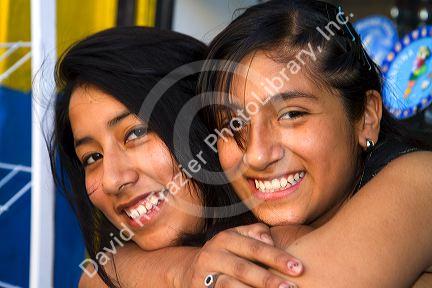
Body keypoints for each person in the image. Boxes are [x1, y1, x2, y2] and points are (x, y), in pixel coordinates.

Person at [78, 1, 432, 287]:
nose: (259, 154)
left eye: (292, 114)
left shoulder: (419, 178)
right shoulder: (239, 227)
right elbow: (97, 274)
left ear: (366, 116)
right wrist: (186, 269)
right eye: (233, 124)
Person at [49, 26, 305, 288]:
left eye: (136, 133)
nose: (112, 180)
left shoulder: (299, 244)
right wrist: (182, 270)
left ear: (207, 118)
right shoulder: (112, 270)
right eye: (92, 157)